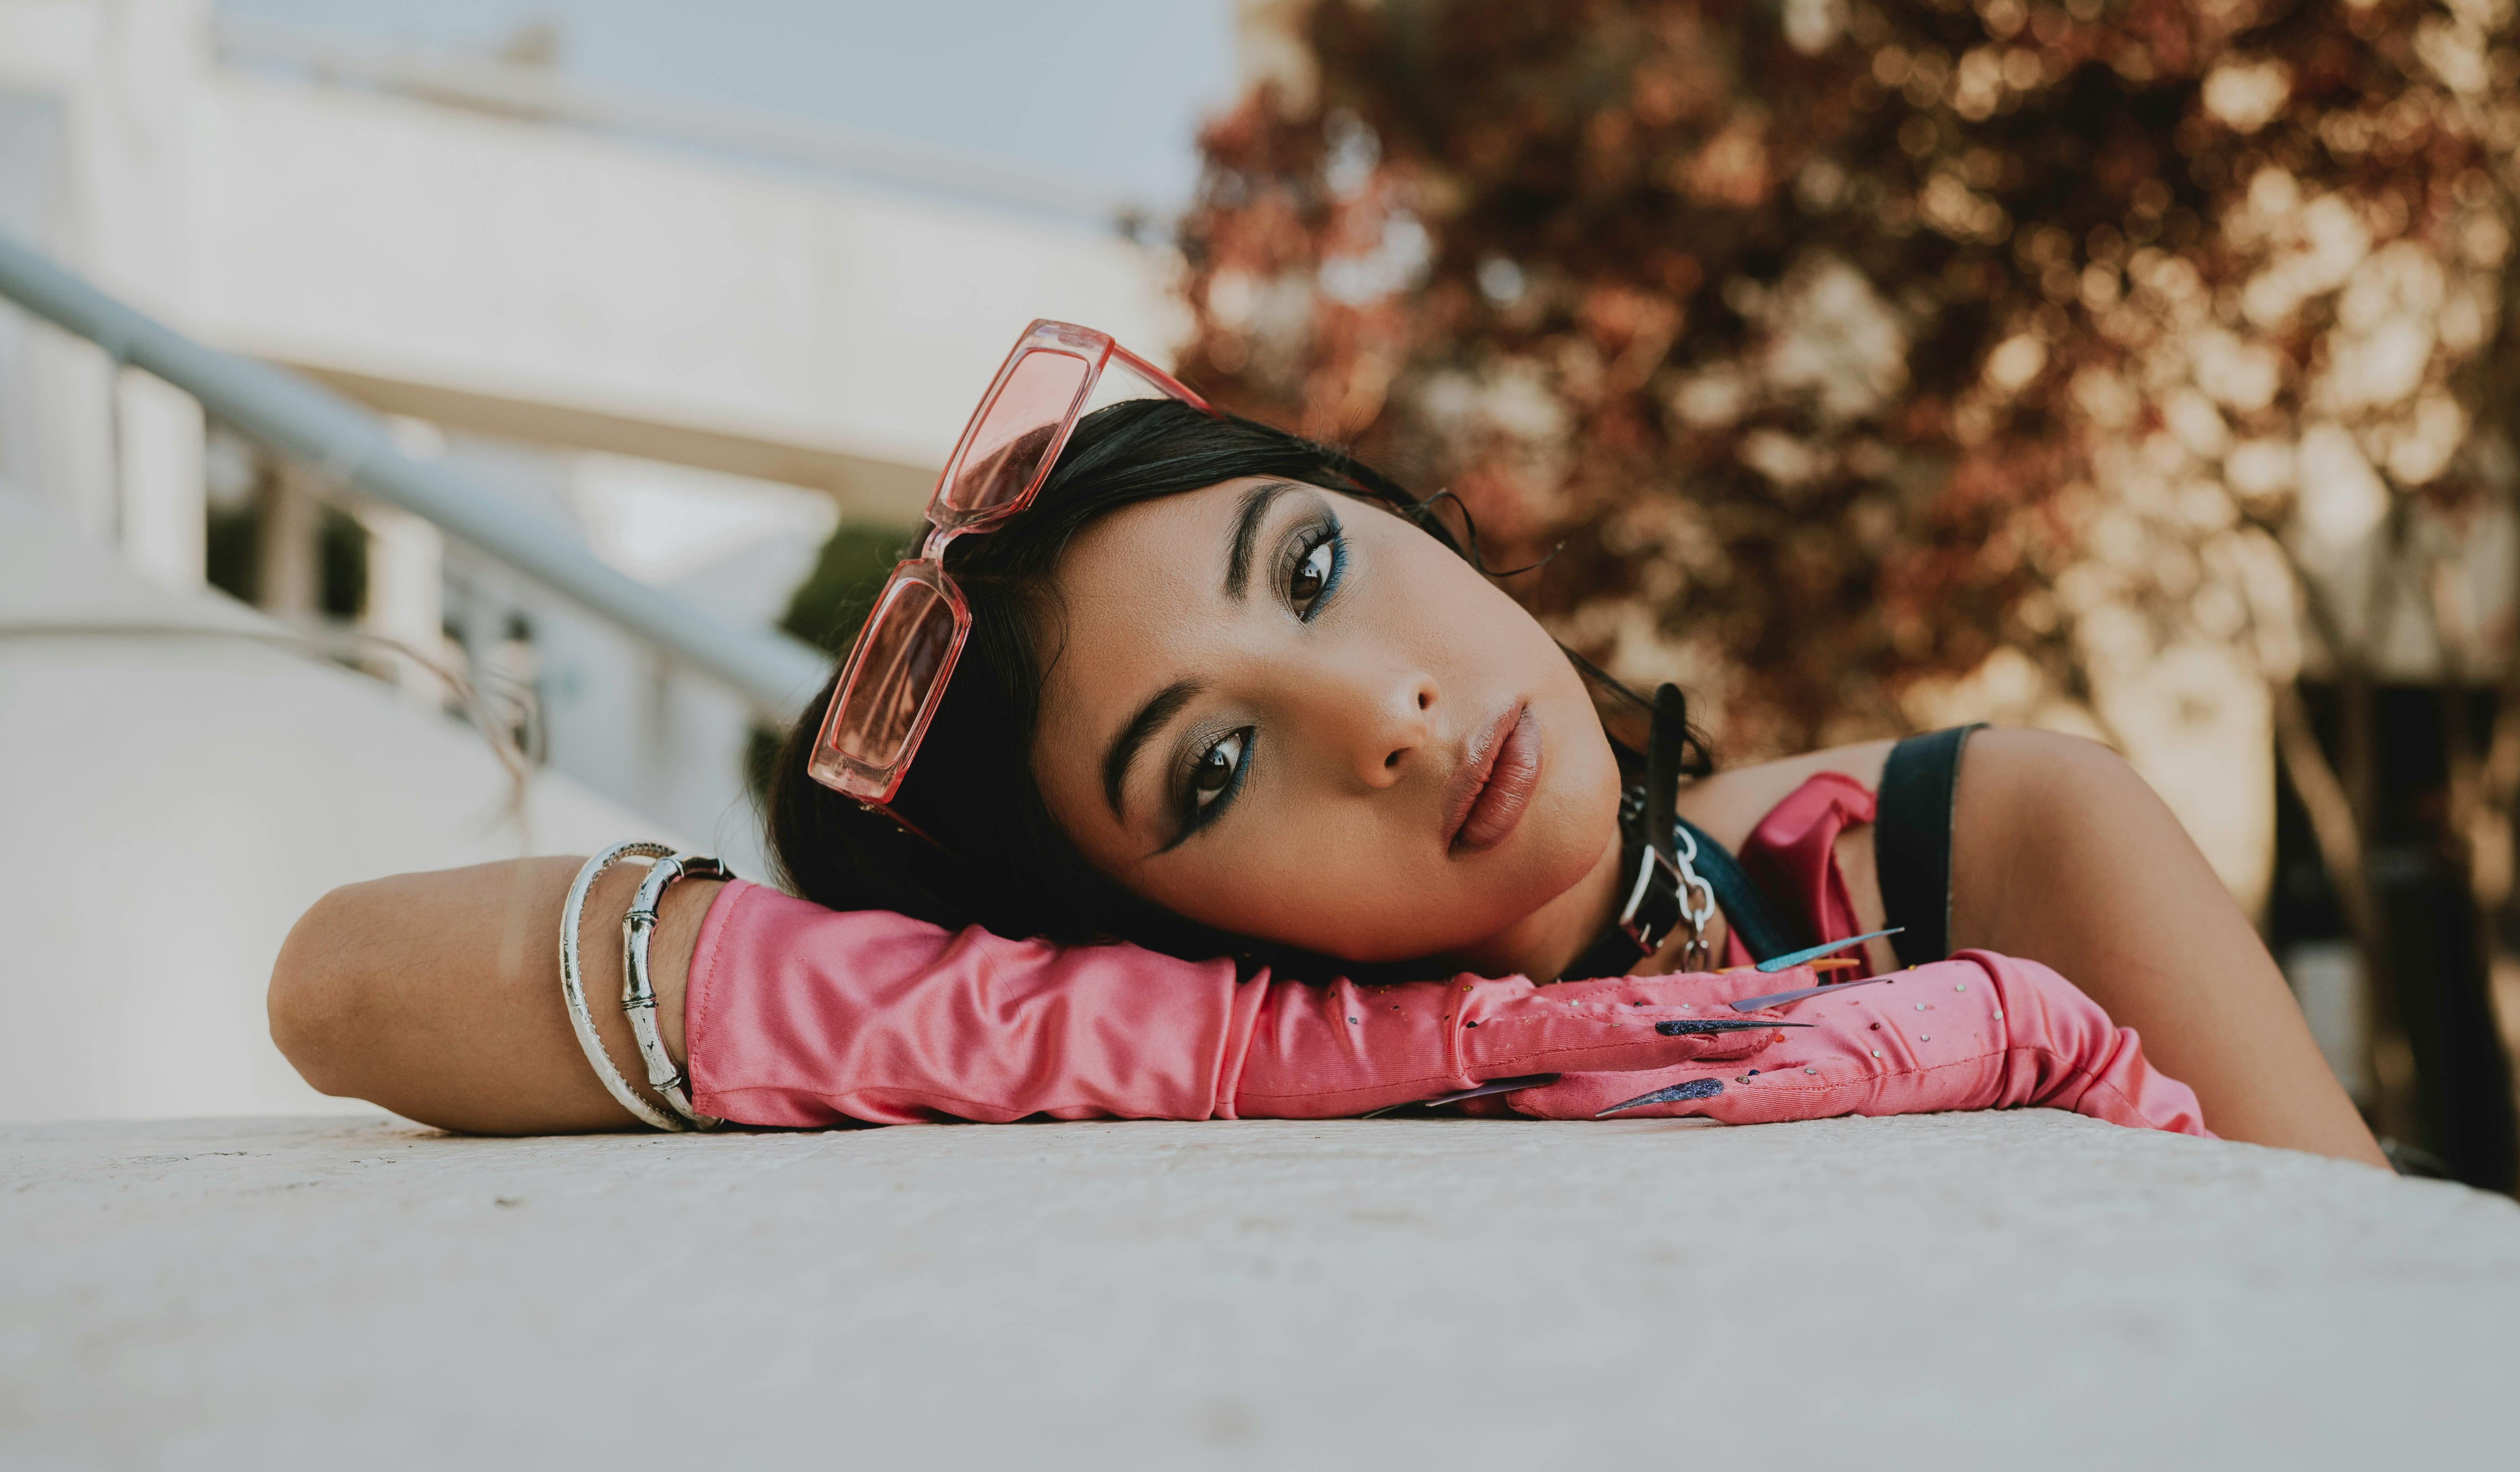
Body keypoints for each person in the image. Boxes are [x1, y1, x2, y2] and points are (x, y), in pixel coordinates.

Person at [268, 322, 2387, 1168]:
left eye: (1308, 568)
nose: (1380, 713)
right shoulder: (1221, 1058)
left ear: (1395, 505)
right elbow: (355, 987)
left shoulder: (1984, 843)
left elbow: (2402, 1363)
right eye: (1208, 776)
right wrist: (1353, 1047)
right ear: (1138, 931)